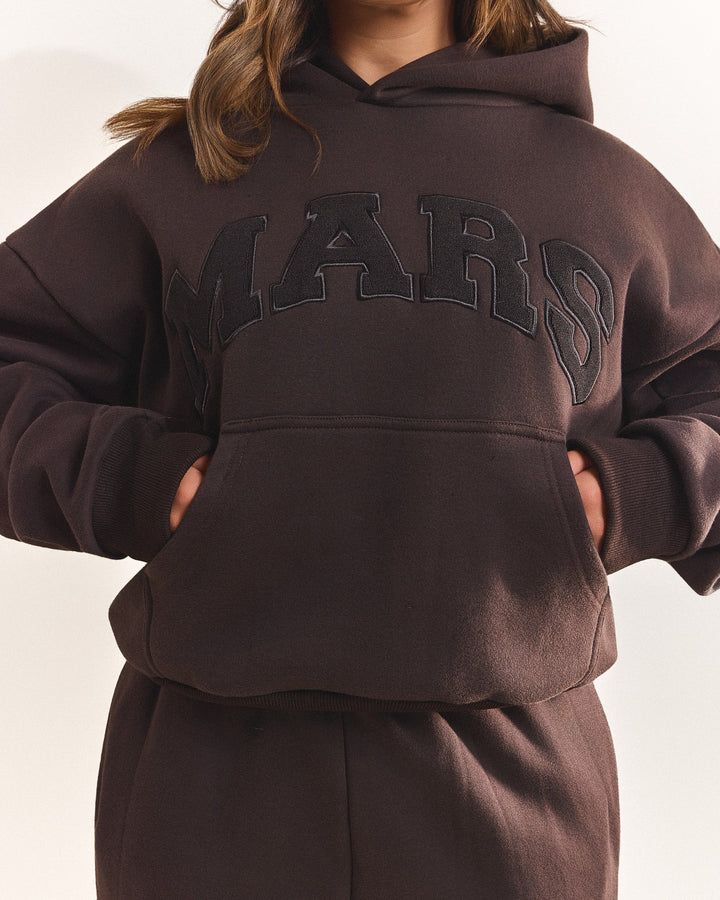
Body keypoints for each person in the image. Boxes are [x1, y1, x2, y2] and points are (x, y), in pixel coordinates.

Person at [1, 0, 719, 896]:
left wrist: (636, 492)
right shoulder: (185, 170)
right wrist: (134, 481)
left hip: (516, 790)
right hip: (208, 784)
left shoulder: (605, 187)